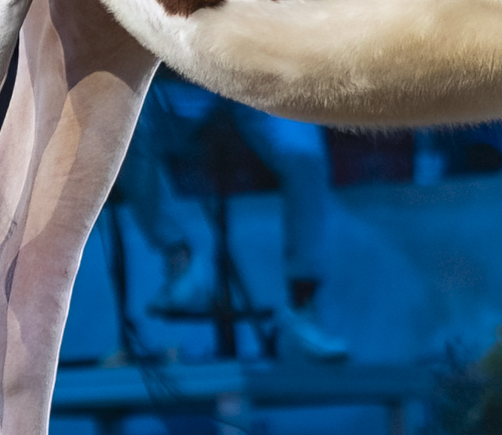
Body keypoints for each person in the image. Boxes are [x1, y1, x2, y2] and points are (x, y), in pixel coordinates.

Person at [122, 73, 351, 360]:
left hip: (252, 78)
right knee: (116, 113)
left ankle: (302, 310)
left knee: (304, 153)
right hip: (167, 86)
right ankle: (179, 259)